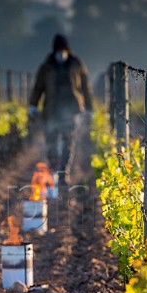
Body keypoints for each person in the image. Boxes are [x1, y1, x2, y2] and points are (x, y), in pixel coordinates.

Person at [29, 34, 93, 185]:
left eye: (63, 49)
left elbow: (85, 87)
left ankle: (64, 173)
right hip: (51, 110)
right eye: (58, 49)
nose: (61, 52)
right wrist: (33, 104)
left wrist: (89, 108)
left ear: (68, 49)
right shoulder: (46, 66)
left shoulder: (77, 64)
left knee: (68, 142)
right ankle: (52, 170)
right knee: (51, 141)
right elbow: (38, 87)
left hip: (71, 110)